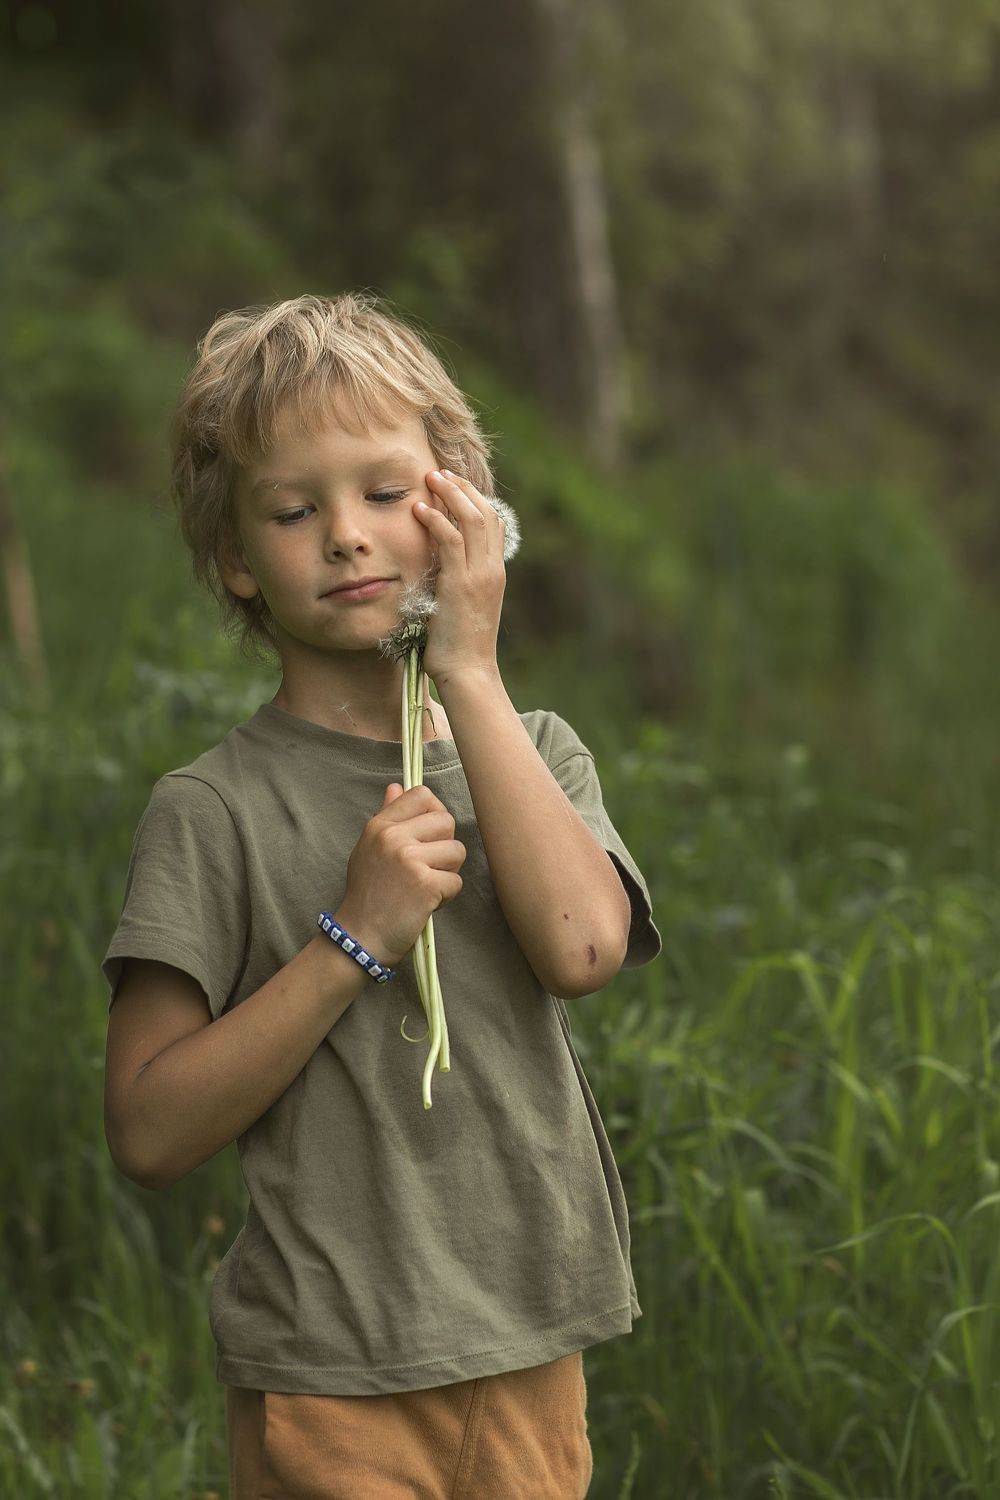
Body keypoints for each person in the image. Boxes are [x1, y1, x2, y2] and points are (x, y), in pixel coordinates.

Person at [101, 290, 662, 1498]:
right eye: (293, 511)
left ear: (459, 511)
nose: (348, 537)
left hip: (529, 1341)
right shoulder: (212, 810)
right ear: (237, 562)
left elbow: (581, 951)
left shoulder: (536, 754)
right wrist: (349, 939)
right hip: (327, 1368)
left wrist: (469, 671)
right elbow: (148, 1131)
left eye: (385, 493)